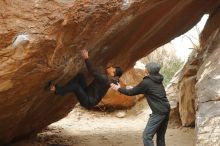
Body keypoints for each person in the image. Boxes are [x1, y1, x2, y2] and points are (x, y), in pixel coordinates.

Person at [111, 62, 170, 146]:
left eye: (146, 67)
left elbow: (132, 92)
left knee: (147, 136)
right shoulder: (157, 80)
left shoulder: (147, 82)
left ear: (149, 70)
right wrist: (132, 88)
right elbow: (144, 89)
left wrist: (119, 89)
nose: (145, 68)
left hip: (159, 112)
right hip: (166, 109)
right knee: (160, 137)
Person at [48, 49, 123, 108]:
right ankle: (63, 91)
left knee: (76, 86)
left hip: (88, 101)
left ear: (113, 73)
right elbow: (96, 73)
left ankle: (57, 89)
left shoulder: (107, 80)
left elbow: (94, 72)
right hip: (87, 93)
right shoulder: (109, 79)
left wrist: (86, 58)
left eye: (112, 68)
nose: (110, 67)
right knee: (80, 76)